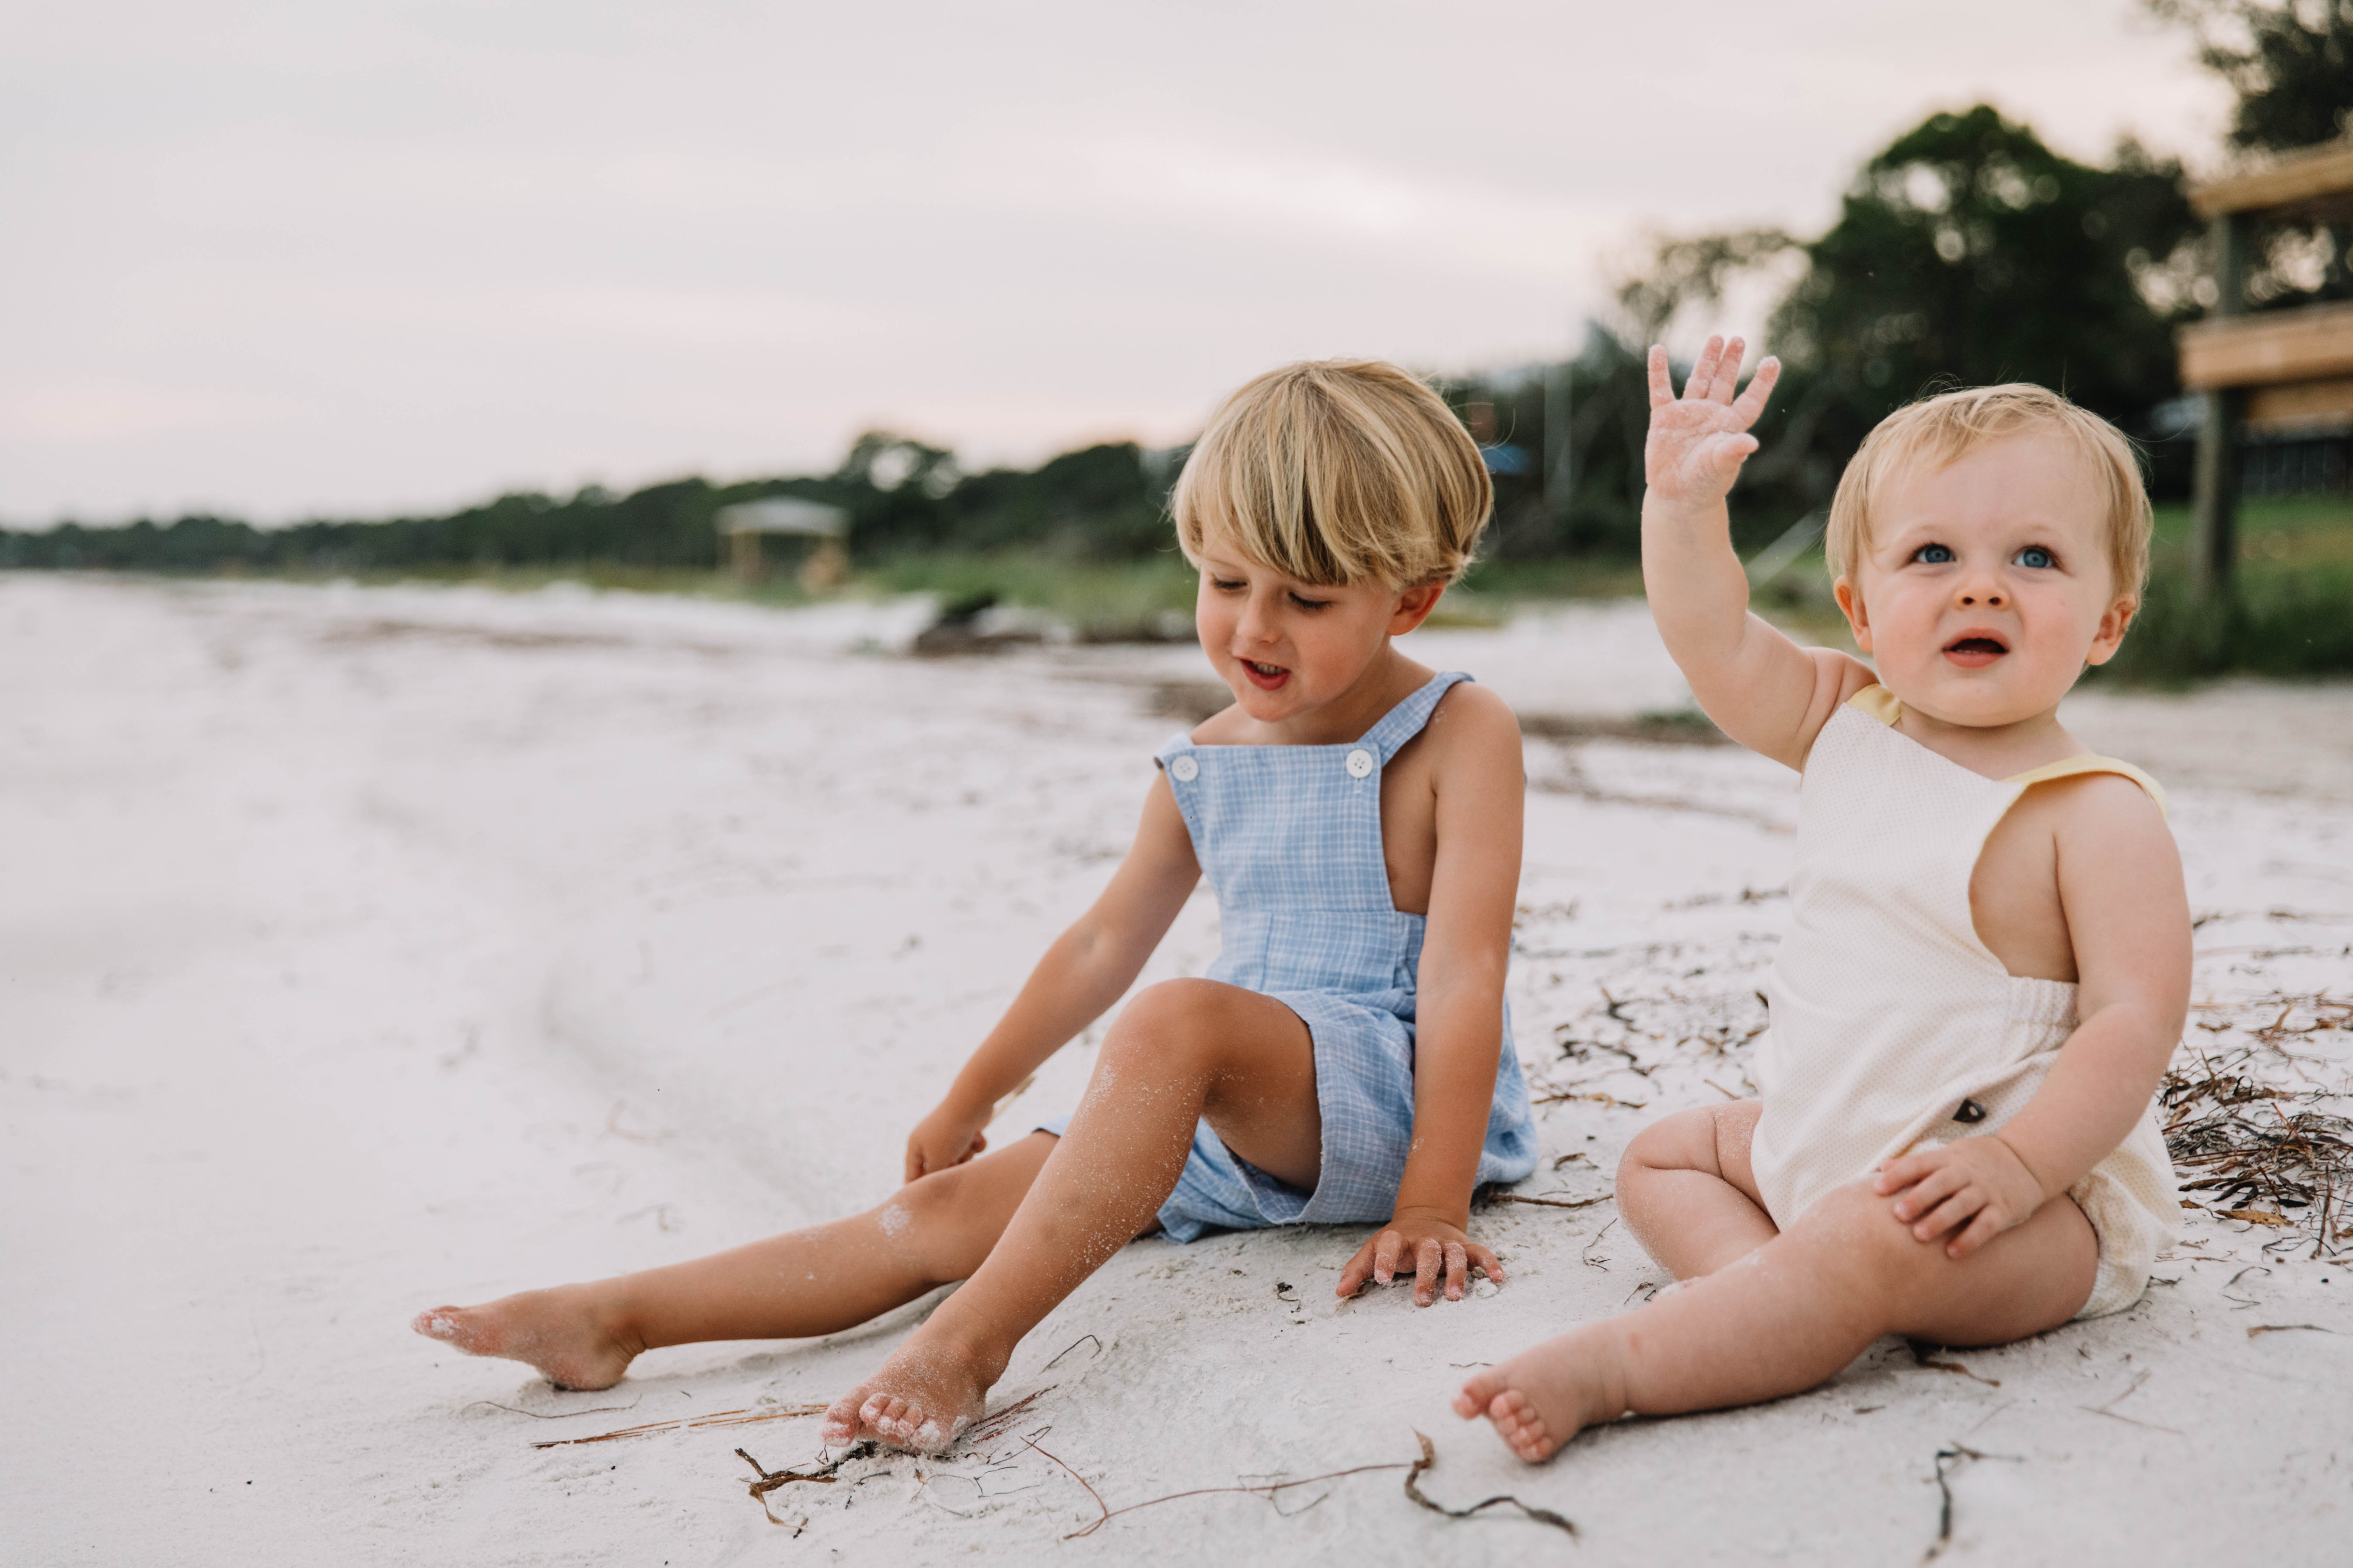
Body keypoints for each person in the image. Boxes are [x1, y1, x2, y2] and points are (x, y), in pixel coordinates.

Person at [415, 359, 1538, 1454]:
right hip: (1231, 1103)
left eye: (1306, 599)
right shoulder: (1207, 760)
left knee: (1172, 1019)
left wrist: (1434, 1201)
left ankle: (967, 1348)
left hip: (1399, 1098)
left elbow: (1463, 972)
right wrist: (973, 1092)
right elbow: (1103, 940)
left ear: (1413, 599)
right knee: (938, 1217)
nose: (1253, 630)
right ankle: (619, 1319)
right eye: (1226, 583)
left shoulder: (1457, 732)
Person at [1457, 338, 2187, 1462]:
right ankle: (1769, 1298)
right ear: (1860, 609)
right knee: (1664, 1155)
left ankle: (1632, 1364)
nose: (1981, 584)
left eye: (2035, 558)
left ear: (2107, 624)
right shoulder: (1842, 719)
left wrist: (2019, 1166)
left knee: (1861, 1238)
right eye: (1933, 553)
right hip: (1820, 1144)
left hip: (2025, 1199)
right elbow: (1711, 637)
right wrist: (1684, 509)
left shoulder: (2095, 811)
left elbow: (2136, 1024)